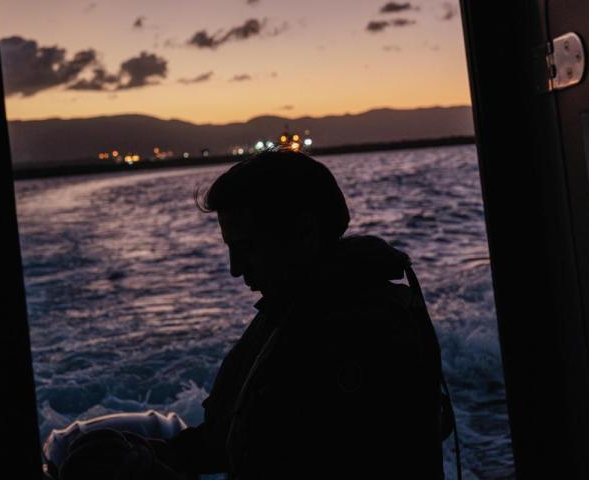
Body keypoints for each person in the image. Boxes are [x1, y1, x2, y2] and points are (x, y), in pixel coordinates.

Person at [143, 149, 448, 479]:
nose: (235, 269)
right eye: (230, 249)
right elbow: (231, 440)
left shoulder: (362, 335)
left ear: (305, 233)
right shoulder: (291, 312)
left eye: (247, 248)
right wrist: (151, 455)